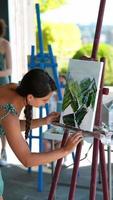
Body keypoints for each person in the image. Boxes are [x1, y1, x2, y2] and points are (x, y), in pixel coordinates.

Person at [0, 68, 83, 199]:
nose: (46, 103)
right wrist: (65, 150)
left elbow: (10, 126)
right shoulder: (9, 112)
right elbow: (27, 160)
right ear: (30, 97)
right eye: (45, 100)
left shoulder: (15, 89)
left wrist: (44, 121)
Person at [0, 19, 12, 165]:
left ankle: (4, 151)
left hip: (3, 84)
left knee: (3, 119)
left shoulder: (5, 44)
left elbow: (10, 70)